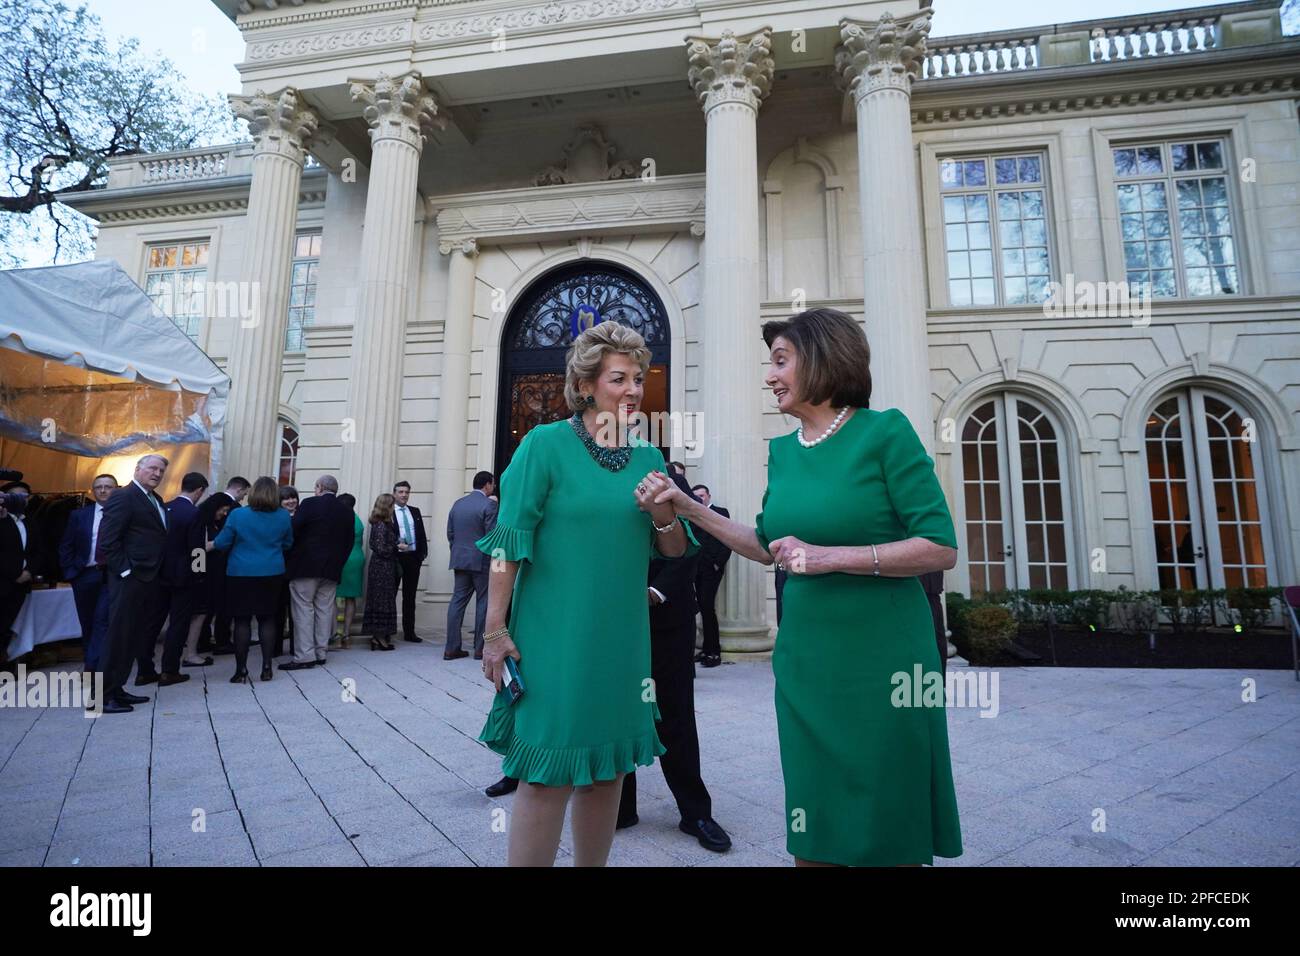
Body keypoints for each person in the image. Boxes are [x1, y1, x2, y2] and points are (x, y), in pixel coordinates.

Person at [652, 308, 963, 867]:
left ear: (822, 358)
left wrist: (832, 558)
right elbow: (763, 542)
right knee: (814, 813)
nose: (769, 376)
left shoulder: (885, 432)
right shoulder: (784, 451)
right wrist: (687, 506)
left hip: (885, 660)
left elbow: (939, 546)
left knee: (883, 815)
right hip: (806, 661)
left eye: (780, 360)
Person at [477, 320, 695, 867]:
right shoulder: (543, 446)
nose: (633, 390)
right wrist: (495, 631)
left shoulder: (648, 457)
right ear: (587, 386)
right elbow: (507, 546)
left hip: (621, 641)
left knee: (607, 773)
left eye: (639, 379)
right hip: (555, 637)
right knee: (548, 773)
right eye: (619, 378)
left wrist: (663, 512)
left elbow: (672, 551)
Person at [618, 469, 731, 852]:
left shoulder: (665, 476)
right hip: (615, 626)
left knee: (676, 717)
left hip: (667, 624)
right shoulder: (603, 474)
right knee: (620, 714)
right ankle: (620, 806)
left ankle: (695, 812)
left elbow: (691, 545)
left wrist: (653, 593)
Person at [97, 454, 172, 714]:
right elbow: (108, 541)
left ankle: (117, 689)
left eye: (161, 470)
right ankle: (102, 697)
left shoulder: (155, 499)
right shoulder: (123, 496)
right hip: (129, 579)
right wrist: (126, 572)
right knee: (118, 637)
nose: (157, 473)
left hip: (148, 579)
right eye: (152, 468)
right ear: (138, 469)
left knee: (131, 637)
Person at [213, 476, 293, 682]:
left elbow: (222, 543)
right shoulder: (283, 516)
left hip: (241, 573)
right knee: (267, 619)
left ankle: (241, 670)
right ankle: (267, 667)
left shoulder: (238, 515)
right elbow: (288, 543)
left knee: (242, 621)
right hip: (272, 571)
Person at [284, 474, 353, 670]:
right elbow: (348, 542)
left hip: (306, 565)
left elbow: (293, 529)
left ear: (319, 487)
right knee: (324, 610)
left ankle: (305, 655)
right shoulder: (346, 511)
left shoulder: (309, 503)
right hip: (331, 569)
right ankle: (321, 652)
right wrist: (338, 563)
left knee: (303, 609)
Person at [57, 474, 118, 671]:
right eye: (99, 487)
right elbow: (66, 545)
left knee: (102, 622)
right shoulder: (79, 515)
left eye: (108, 487)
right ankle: (92, 664)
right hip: (84, 574)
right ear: (92, 491)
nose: (103, 490)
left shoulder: (122, 515)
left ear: (116, 490)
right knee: (88, 623)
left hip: (111, 575)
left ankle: (95, 669)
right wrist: (71, 572)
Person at [154, 472, 209, 686]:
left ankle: (145, 668)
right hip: (183, 577)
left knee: (154, 621)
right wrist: (200, 575)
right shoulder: (194, 513)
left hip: (159, 573)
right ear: (199, 490)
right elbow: (197, 549)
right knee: (178, 623)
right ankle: (169, 669)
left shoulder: (163, 508)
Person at [444, 470, 496, 661]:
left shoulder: (458, 504)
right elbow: (492, 535)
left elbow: (450, 533)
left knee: (457, 602)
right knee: (483, 602)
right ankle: (480, 649)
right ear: (487, 485)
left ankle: (451, 648)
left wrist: (457, 550)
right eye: (493, 484)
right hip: (481, 560)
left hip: (460, 559)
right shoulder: (489, 505)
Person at [196, 476, 249, 655]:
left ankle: (204, 641)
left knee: (209, 607)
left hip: (209, 570)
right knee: (218, 607)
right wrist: (199, 571)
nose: (225, 514)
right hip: (216, 569)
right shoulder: (229, 512)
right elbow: (200, 549)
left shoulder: (206, 520)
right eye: (223, 511)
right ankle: (219, 641)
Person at [689, 483, 731, 668]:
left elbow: (728, 539)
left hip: (711, 569)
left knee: (707, 607)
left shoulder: (720, 512)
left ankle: (714, 652)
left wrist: (717, 563)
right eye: (696, 496)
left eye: (702, 495)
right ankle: (705, 649)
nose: (700, 498)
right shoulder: (692, 514)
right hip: (694, 569)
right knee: (700, 608)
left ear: (708, 495)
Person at [0, 483, 38, 643]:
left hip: (21, 585)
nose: (20, 499)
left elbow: (39, 551)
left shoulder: (32, 522)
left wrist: (29, 571)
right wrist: (14, 574)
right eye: (14, 495)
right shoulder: (2, 520)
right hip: (4, 581)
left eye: (24, 496)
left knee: (7, 627)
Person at [391, 480, 428, 643]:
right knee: (390, 594)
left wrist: (421, 555)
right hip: (396, 558)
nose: (404, 495)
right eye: (401, 492)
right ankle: (389, 630)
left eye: (406, 492)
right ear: (394, 494)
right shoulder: (389, 512)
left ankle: (409, 632)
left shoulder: (415, 511)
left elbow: (421, 533)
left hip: (413, 558)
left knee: (410, 596)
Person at [362, 493, 399, 651]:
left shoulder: (383, 523)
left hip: (385, 566)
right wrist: (397, 546)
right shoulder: (380, 525)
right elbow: (379, 547)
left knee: (383, 600)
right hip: (381, 567)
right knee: (381, 600)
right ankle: (379, 637)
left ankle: (379, 637)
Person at [335, 493, 364, 649]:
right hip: (357, 558)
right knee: (351, 598)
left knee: (333, 595)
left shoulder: (340, 519)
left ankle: (333, 633)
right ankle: (346, 633)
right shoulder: (357, 520)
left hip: (343, 558)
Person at [277, 486, 299, 656]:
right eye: (287, 499)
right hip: (278, 567)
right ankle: (275, 646)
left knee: (295, 611)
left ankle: (295, 646)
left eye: (293, 498)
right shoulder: (276, 517)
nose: (291, 501)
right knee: (277, 609)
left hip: (296, 568)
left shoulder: (302, 516)